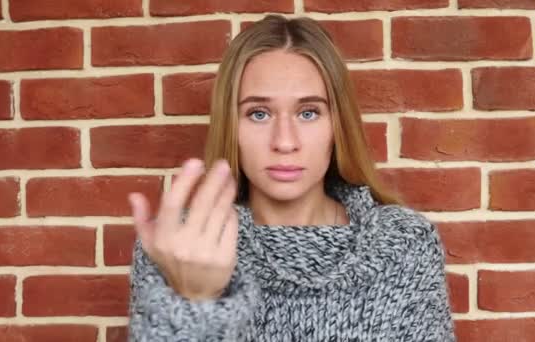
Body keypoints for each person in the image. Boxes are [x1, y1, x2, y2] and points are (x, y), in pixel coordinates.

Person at [126, 14, 456, 341]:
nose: (285, 141)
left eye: (308, 112)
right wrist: (194, 301)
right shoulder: (178, 245)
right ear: (231, 125)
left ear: (336, 125)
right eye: (258, 113)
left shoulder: (404, 245)